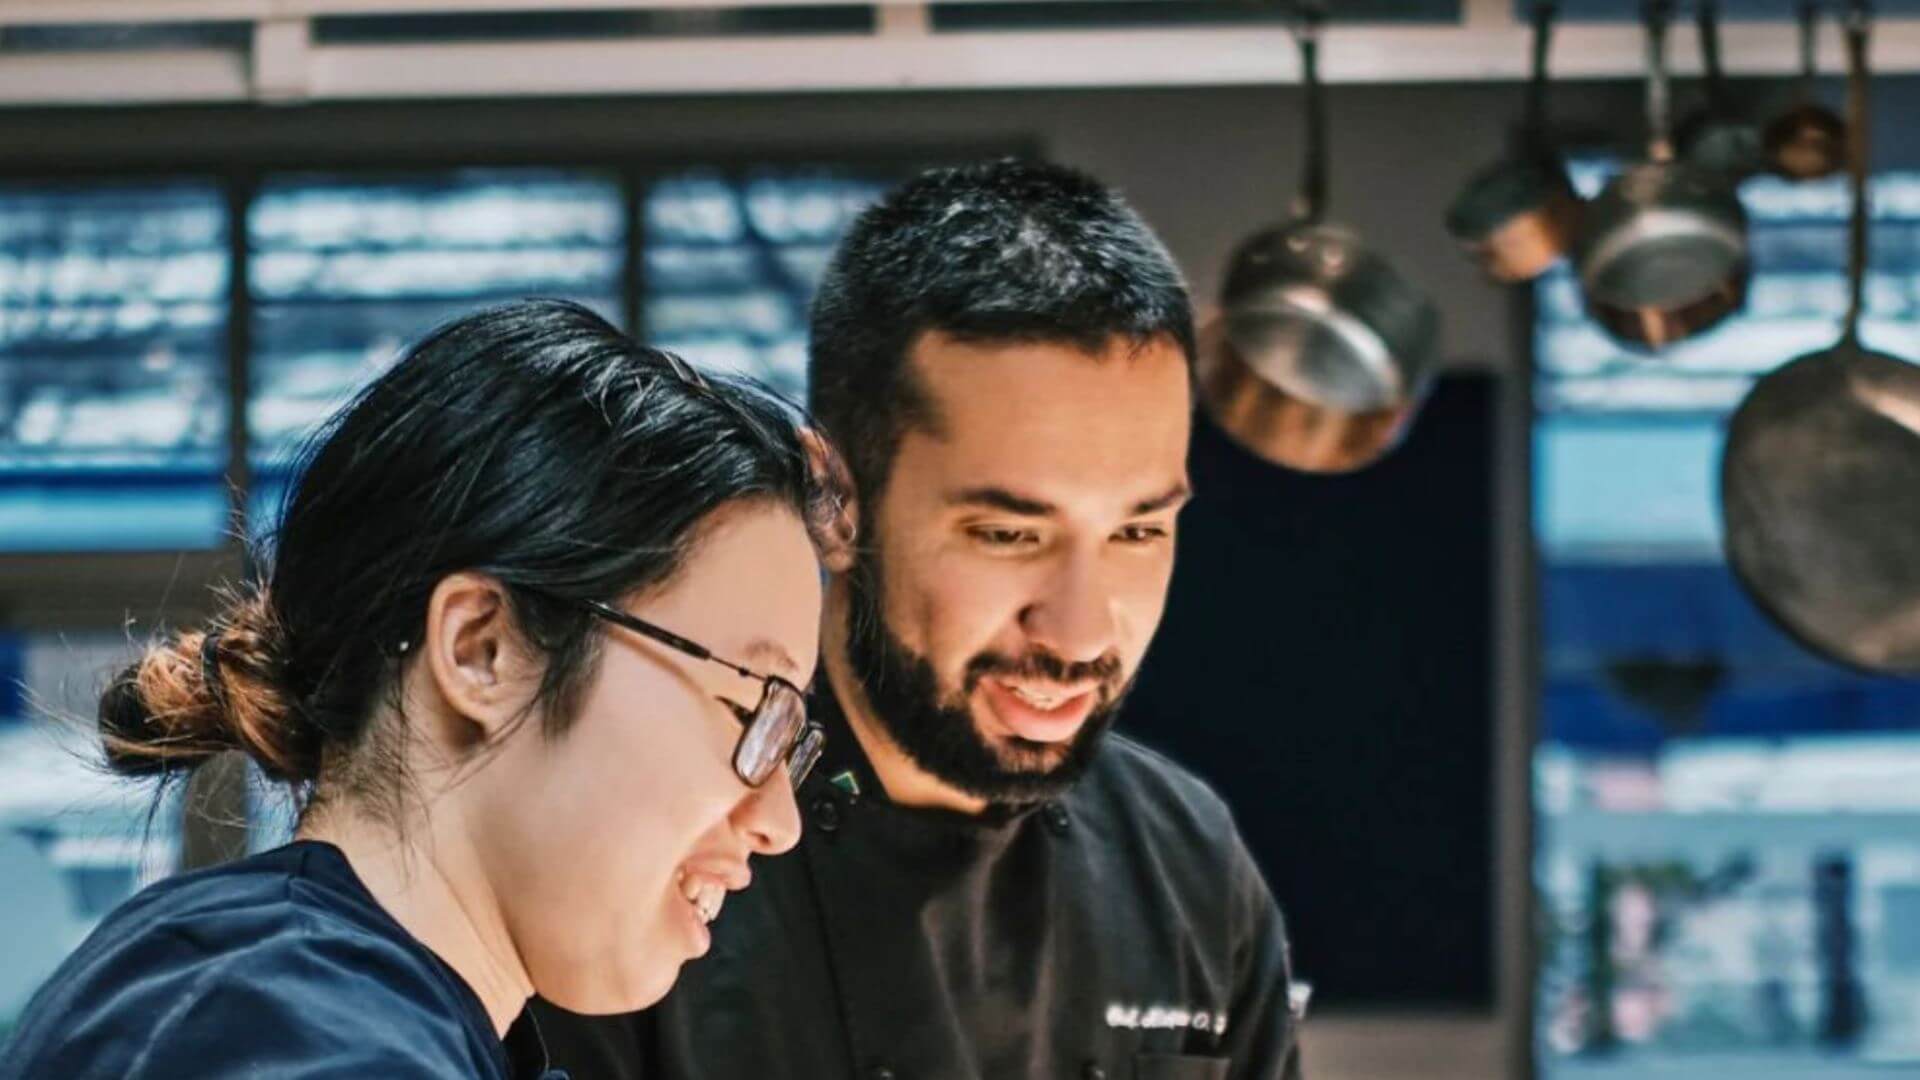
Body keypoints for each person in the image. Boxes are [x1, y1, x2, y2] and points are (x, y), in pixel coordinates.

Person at [534, 160, 1306, 1079]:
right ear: (834, 499)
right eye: (1008, 532)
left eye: (1137, 529)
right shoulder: (651, 859)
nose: (1082, 632)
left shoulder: (1188, 860)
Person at [0, 299, 843, 1079]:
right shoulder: (293, 1040)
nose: (777, 820)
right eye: (750, 707)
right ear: (482, 650)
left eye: (791, 738)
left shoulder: (299, 998)